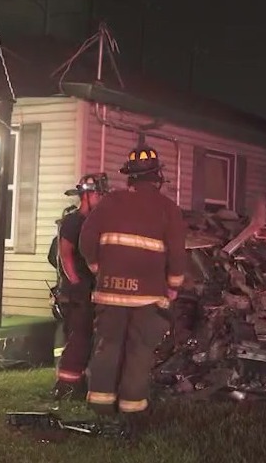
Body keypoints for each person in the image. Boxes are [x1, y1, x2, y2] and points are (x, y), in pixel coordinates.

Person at [78, 144, 187, 435]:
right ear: (157, 177)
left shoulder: (110, 202)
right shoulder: (168, 209)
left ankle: (101, 403)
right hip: (148, 296)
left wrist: (100, 270)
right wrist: (173, 286)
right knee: (139, 350)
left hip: (109, 292)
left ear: (130, 178)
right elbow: (177, 254)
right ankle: (132, 408)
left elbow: (86, 240)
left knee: (107, 345)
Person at [51, 173, 109, 400]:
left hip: (92, 286)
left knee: (91, 337)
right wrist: (76, 283)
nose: (102, 199)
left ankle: (82, 382)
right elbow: (65, 255)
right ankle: (66, 386)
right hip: (78, 290)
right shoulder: (73, 221)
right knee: (80, 337)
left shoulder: (95, 221)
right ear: (88, 195)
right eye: (100, 194)